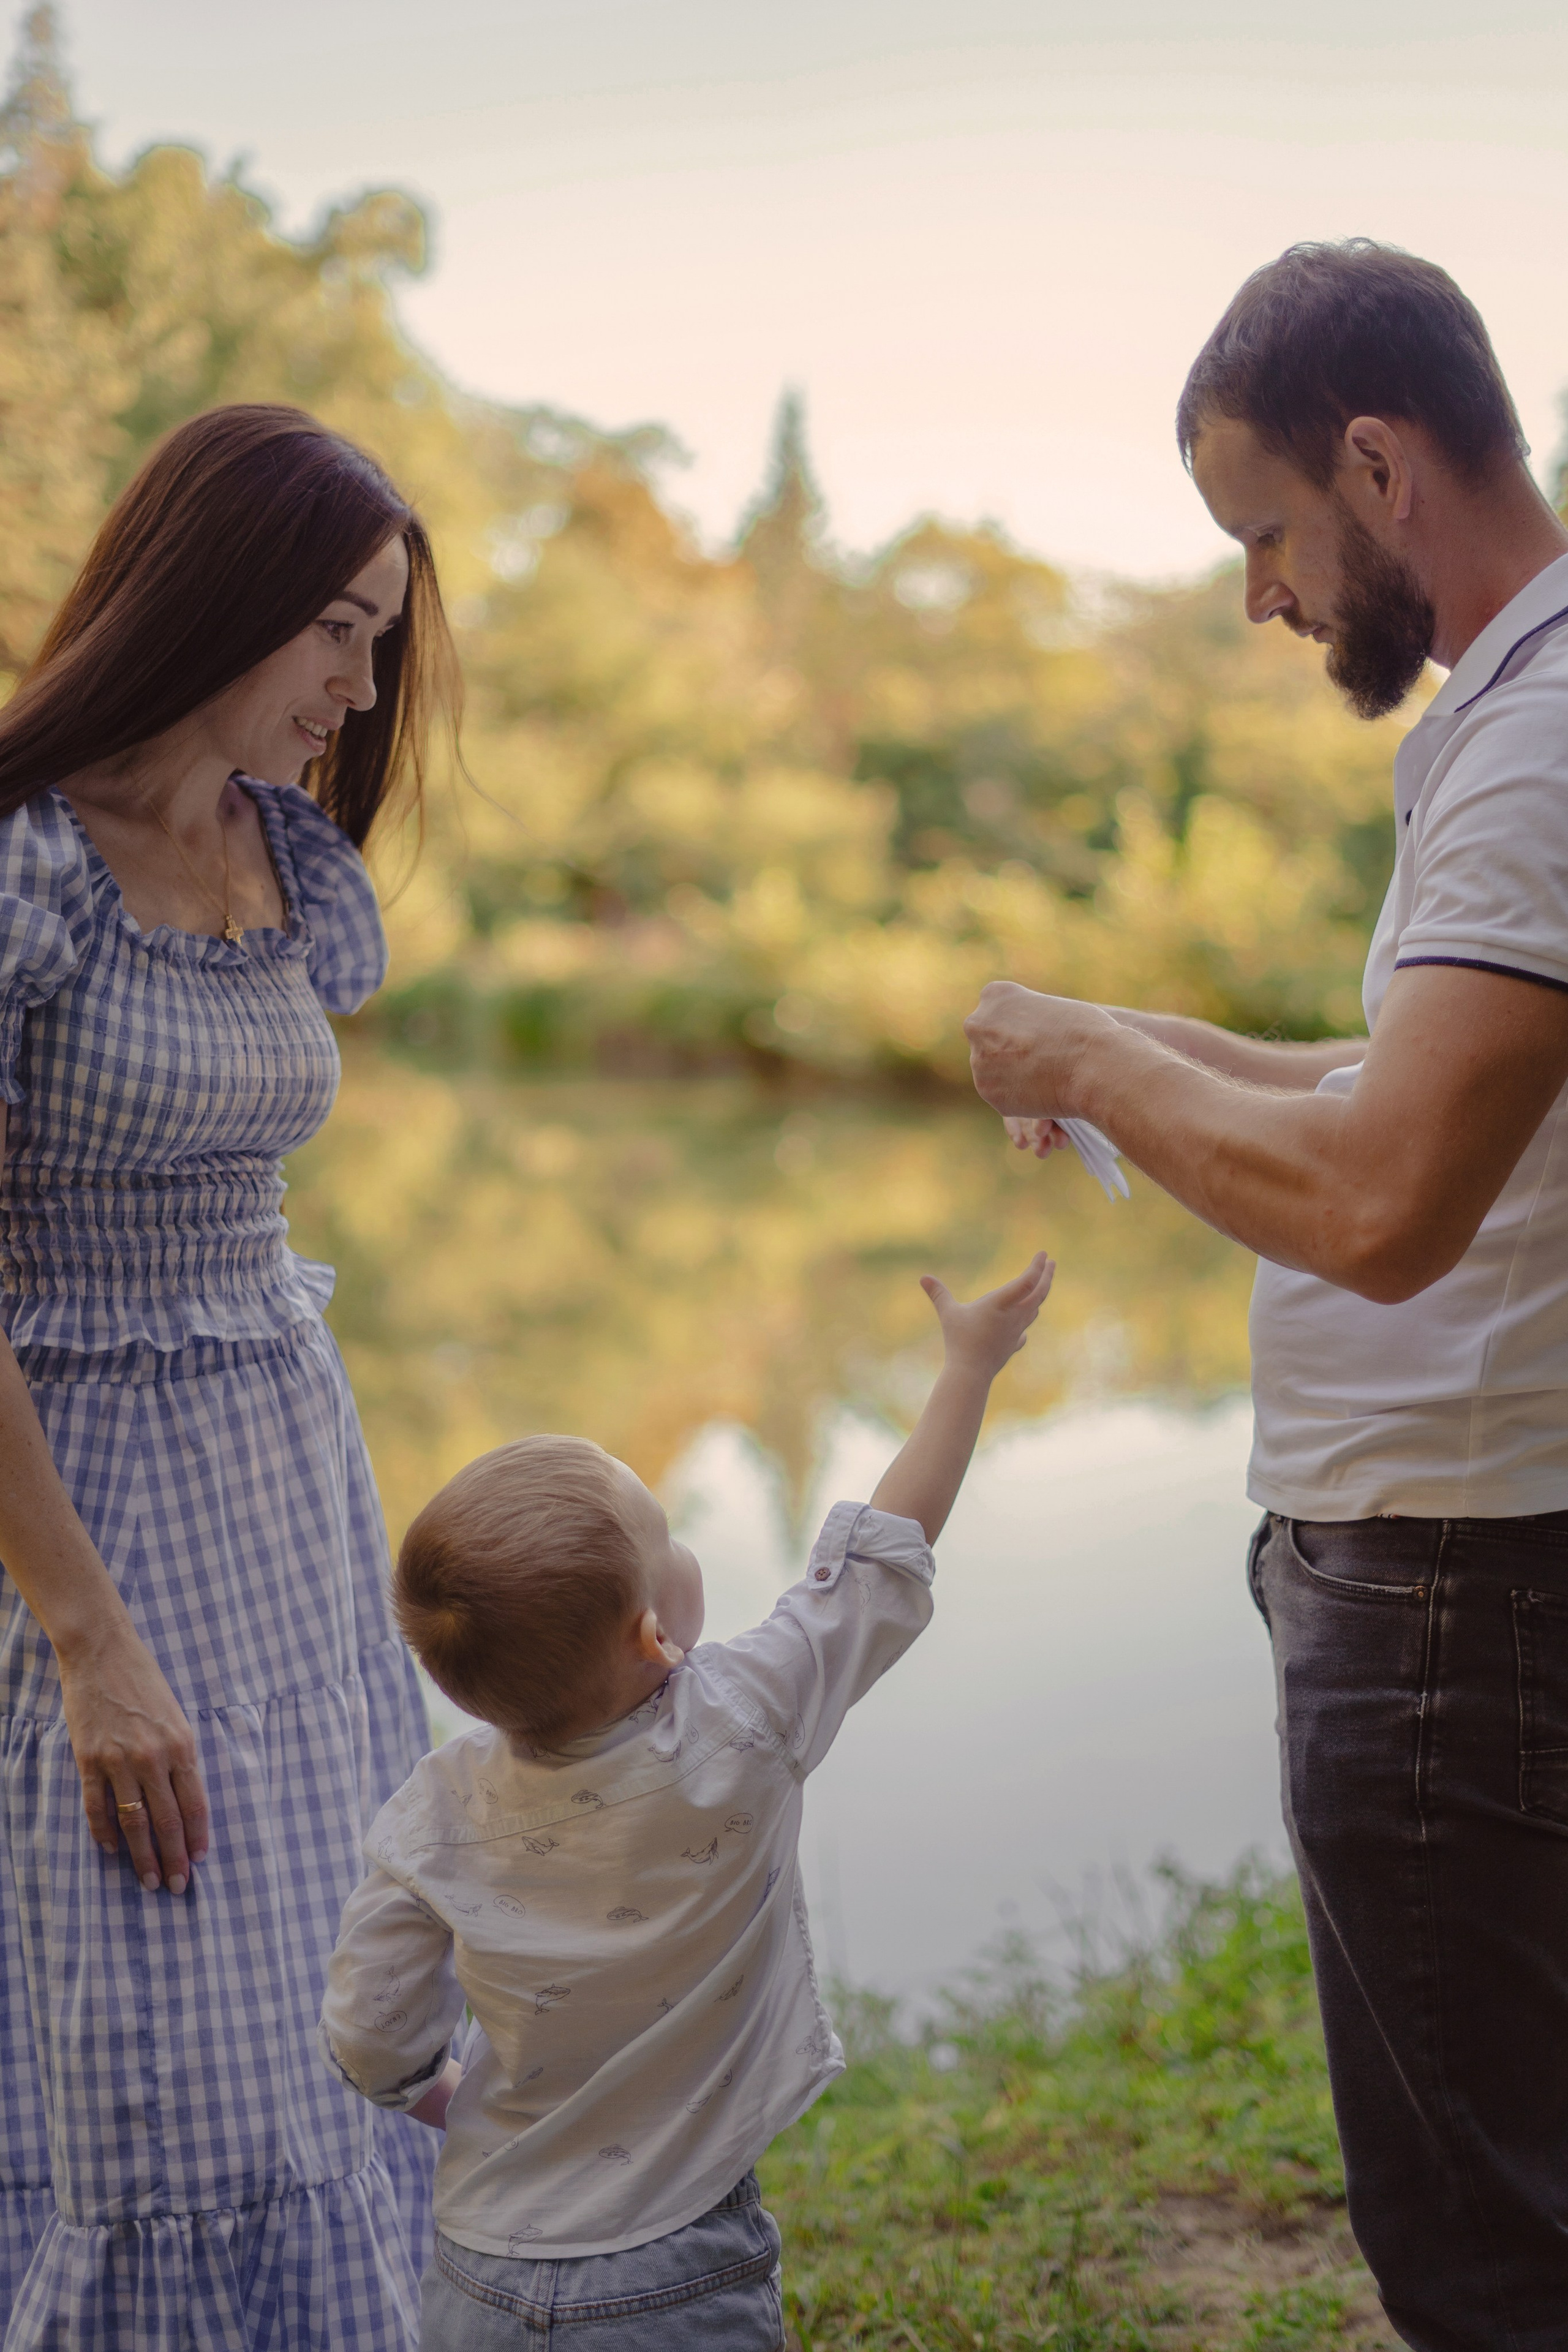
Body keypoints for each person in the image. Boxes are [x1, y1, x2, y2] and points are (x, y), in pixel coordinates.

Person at [963, 239, 1568, 2352]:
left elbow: (1394, 1199)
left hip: (1460, 1609)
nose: (1260, 595)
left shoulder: (1537, 751)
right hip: (1480, 1580)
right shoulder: (1532, 715)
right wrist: (1144, 1036)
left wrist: (1088, 1065)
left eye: (1266, 531)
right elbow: (1432, 1090)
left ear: (1381, 467)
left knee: (1485, 2236)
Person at [0, 405, 461, 2346]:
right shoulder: (29, 866)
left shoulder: (283, 851)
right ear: (222, 600)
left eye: (380, 638)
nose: (361, 689)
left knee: (321, 2012)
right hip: (89, 1510)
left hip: (286, 1483)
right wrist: (89, 1640)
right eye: (338, 632)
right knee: (155, 2041)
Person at [318, 1251, 1054, 2350]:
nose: (684, 1544)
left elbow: (368, 2031)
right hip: (676, 2267)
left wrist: (437, 2089)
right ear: (654, 1638)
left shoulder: (436, 1809)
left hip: (478, 2268)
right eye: (669, 1538)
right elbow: (881, 1559)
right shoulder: (745, 1723)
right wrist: (969, 1366)